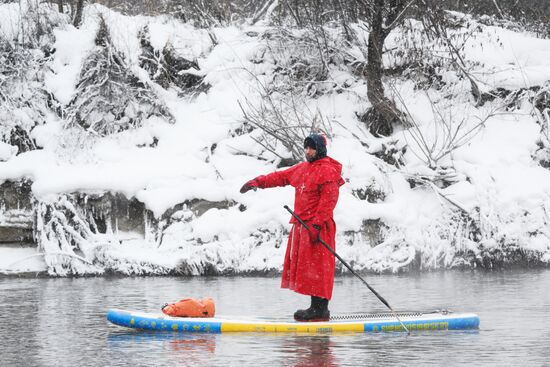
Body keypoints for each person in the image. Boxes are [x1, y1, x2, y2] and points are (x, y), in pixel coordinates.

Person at [240, 133, 345, 322]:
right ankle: (316, 309)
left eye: (311, 147)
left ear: (319, 149)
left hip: (319, 226)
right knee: (311, 270)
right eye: (305, 147)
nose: (307, 151)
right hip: (303, 226)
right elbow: (280, 177)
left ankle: (320, 309)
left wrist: (317, 224)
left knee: (320, 268)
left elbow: (329, 201)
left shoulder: (328, 171)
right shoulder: (302, 169)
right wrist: (258, 181)